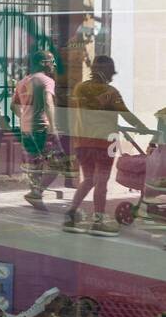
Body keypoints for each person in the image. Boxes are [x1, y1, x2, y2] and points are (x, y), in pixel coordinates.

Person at [64, 56, 151, 237]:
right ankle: (98, 220)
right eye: (111, 72)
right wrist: (143, 128)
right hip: (103, 142)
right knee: (102, 181)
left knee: (88, 179)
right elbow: (126, 114)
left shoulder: (79, 88)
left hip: (82, 141)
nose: (112, 76)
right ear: (107, 72)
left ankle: (71, 212)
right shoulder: (110, 92)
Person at [13, 48, 62, 210]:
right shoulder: (46, 81)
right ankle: (37, 192)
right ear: (43, 63)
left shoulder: (22, 82)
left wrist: (25, 117)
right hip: (41, 128)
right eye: (52, 61)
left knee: (35, 165)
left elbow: (13, 105)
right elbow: (48, 102)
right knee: (58, 163)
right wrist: (53, 129)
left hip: (26, 129)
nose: (54, 64)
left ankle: (36, 196)